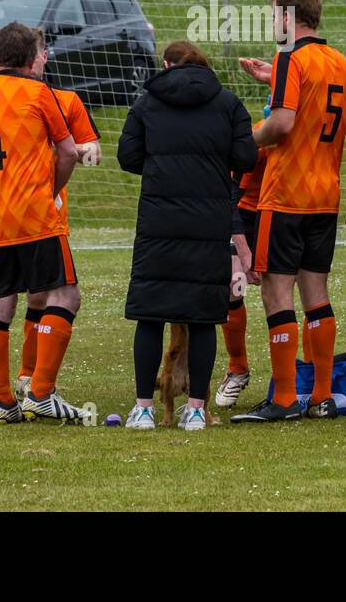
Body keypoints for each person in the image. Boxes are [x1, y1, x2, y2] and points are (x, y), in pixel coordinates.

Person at [118, 41, 258, 430]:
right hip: (208, 223)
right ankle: (196, 408)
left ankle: (144, 408)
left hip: (158, 223)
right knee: (202, 319)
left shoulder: (147, 103)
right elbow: (246, 158)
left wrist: (162, 161)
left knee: (149, 315)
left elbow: (127, 156)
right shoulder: (228, 103)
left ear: (166, 65)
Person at [231, 0, 346, 424]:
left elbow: (281, 124)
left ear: (287, 16)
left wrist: (241, 143)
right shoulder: (338, 62)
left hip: (286, 194)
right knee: (316, 295)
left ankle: (283, 398)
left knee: (276, 293)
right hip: (325, 193)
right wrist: (274, 78)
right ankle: (321, 396)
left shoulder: (290, 59)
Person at [0, 21, 85, 423]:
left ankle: (3, 402)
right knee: (65, 296)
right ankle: (41, 393)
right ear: (31, 58)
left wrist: (0, 179)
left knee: (0, 301)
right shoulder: (38, 93)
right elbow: (68, 153)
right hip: (37, 215)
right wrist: (49, 188)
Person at [15, 28, 102, 401]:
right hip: (21, 210)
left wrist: (80, 152)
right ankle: (32, 386)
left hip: (42, 212)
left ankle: (25, 379)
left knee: (38, 296)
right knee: (45, 295)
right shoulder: (5, 98)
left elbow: (92, 149)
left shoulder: (65, 100)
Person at [214, 124, 265, 409]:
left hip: (285, 213)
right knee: (235, 284)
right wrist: (244, 250)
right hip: (246, 216)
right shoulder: (256, 141)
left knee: (285, 291)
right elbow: (231, 198)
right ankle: (238, 368)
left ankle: (303, 376)